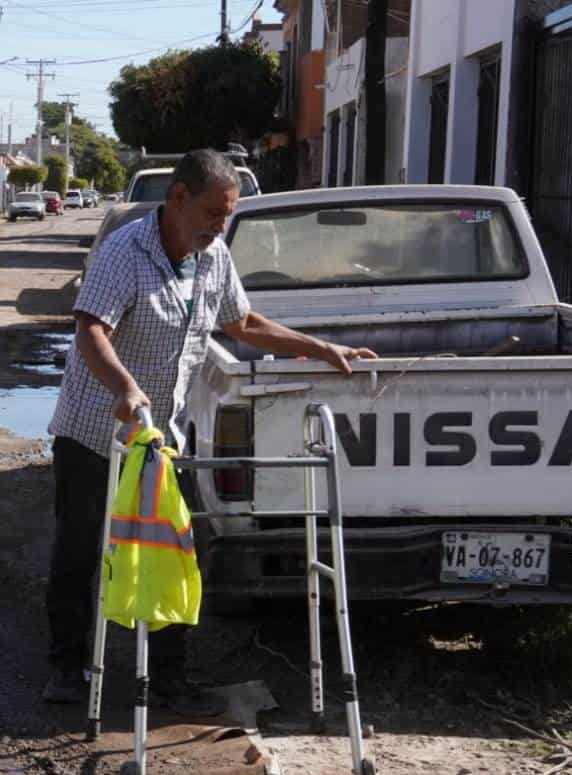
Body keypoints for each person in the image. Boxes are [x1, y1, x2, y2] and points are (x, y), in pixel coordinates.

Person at [42, 149, 378, 705]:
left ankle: (168, 675)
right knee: (82, 550)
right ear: (178, 199)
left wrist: (320, 348)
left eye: (227, 216)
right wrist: (124, 387)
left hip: (161, 438)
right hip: (94, 431)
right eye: (214, 214)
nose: (221, 227)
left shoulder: (214, 256)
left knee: (173, 548)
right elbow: (91, 331)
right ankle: (66, 665)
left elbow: (242, 323)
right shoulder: (124, 252)